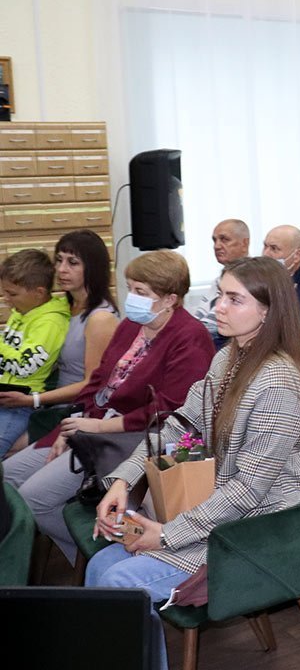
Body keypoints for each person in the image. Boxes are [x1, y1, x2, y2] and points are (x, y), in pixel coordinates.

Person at [86, 257, 300, 670]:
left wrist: (168, 535)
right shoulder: (228, 357)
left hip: (259, 528)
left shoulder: (278, 381)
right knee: (100, 563)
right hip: (226, 509)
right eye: (220, 295)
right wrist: (123, 481)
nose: (219, 307)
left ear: (268, 311)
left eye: (234, 299)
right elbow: (180, 424)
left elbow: (250, 490)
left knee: (118, 582)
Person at [4, 250, 214, 563]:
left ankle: (103, 558)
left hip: (126, 438)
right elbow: (99, 379)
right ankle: (97, 555)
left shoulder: (190, 337)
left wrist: (96, 427)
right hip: (90, 426)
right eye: (131, 289)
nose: (132, 299)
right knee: (7, 476)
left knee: (34, 499)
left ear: (171, 299)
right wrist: (73, 424)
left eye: (142, 293)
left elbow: (171, 410)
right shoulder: (132, 325)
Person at [0, 232, 119, 447]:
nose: (61, 269)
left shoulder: (100, 318)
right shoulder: (59, 306)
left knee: (8, 459)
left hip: (73, 411)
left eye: (72, 263)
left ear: (92, 268)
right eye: (59, 260)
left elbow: (93, 384)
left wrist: (32, 400)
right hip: (45, 403)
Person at [0, 250, 71, 455]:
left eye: (12, 294)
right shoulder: (22, 312)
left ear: (39, 293)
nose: (6, 299)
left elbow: (24, 366)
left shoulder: (50, 322)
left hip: (18, 406)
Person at [189, 219, 251, 344]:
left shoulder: (251, 279)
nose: (216, 246)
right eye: (214, 240)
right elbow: (199, 320)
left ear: (244, 243)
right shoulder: (219, 280)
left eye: (224, 239)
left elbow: (213, 329)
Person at [262, 224, 300, 311]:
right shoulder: (255, 279)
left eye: (274, 248)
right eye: (265, 246)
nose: (265, 254)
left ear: (297, 256)